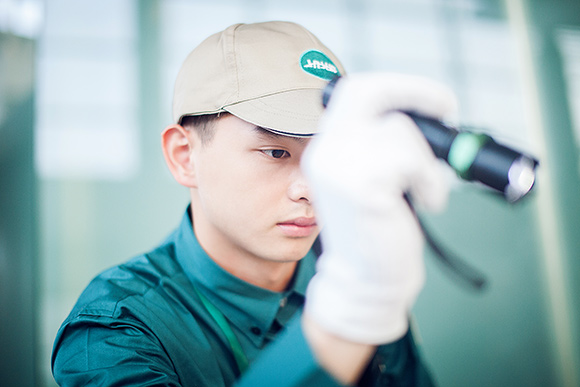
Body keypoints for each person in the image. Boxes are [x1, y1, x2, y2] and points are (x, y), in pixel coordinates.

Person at [51, 21, 456, 386]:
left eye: (327, 156)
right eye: (276, 153)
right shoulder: (116, 334)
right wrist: (346, 318)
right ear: (184, 156)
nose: (312, 189)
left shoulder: (353, 269)